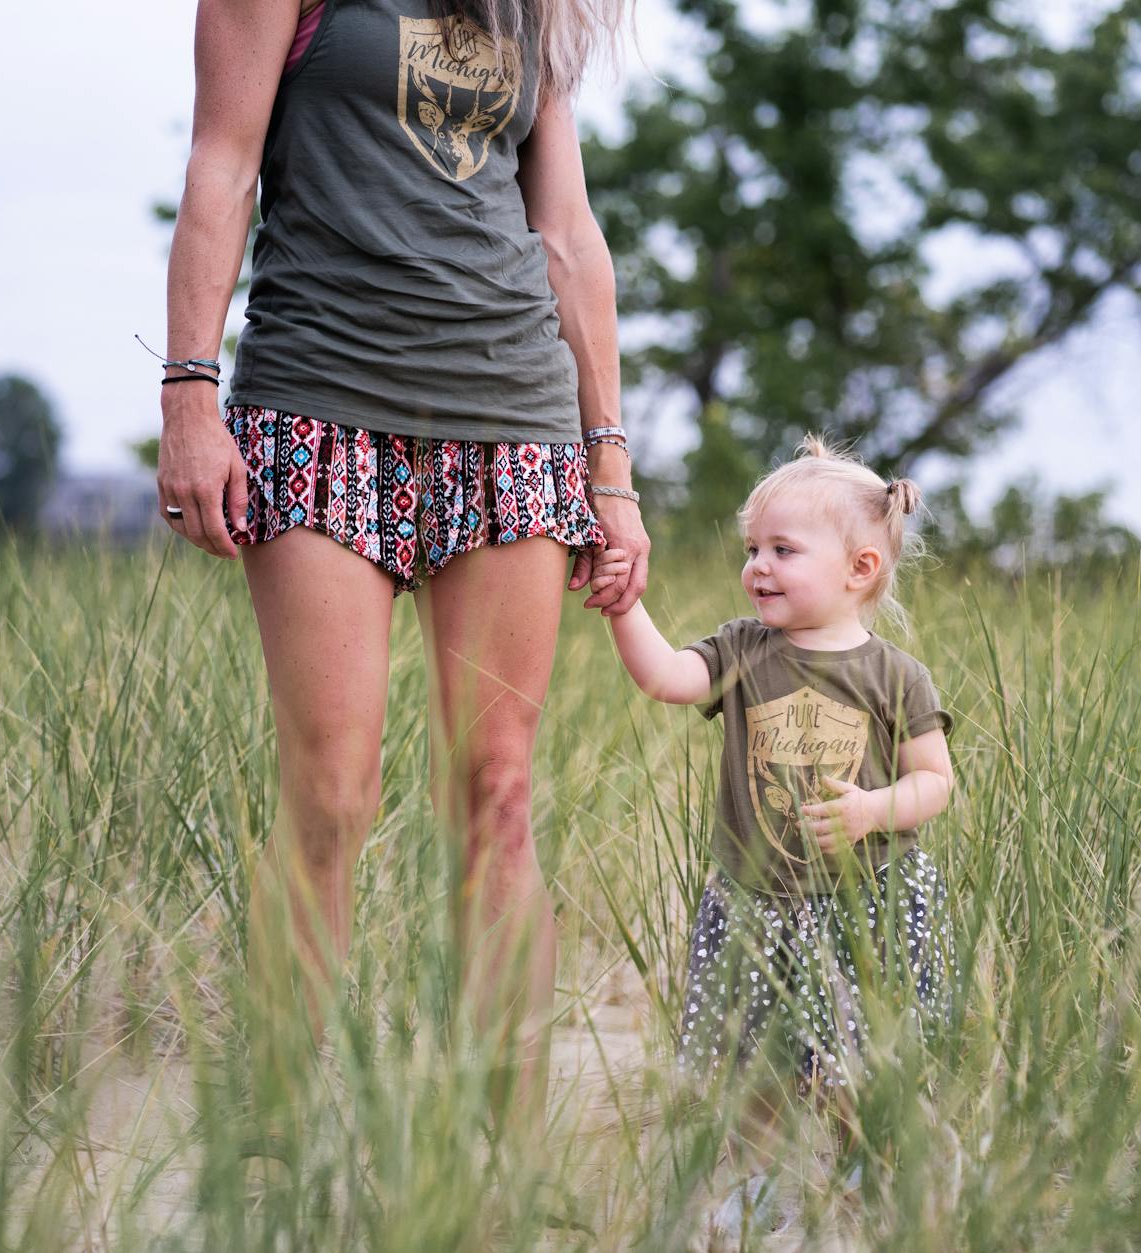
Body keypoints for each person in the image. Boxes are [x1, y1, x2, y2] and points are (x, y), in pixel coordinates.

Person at [153, 0, 648, 1123]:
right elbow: (221, 166)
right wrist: (188, 390)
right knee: (330, 793)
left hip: (512, 415)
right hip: (321, 398)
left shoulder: (530, 10)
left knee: (499, 791)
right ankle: (279, 1143)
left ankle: (499, 1154)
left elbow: (564, 232)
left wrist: (608, 462)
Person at [587, 434, 957, 1231]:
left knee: (858, 1061)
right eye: (753, 547)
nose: (757, 565)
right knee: (751, 1063)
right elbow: (667, 678)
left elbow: (936, 781)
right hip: (757, 903)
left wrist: (870, 809)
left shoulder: (896, 674)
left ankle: (868, 1175)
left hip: (868, 903)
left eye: (783, 549)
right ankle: (763, 1186)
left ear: (860, 568)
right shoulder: (742, 649)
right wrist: (626, 608)